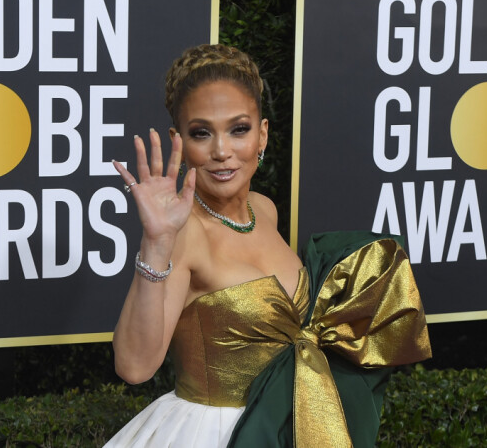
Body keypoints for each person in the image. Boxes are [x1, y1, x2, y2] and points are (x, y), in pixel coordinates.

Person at [105, 44, 431, 448]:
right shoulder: (183, 235)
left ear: (262, 134)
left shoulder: (265, 210)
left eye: (238, 129)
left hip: (292, 428)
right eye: (201, 133)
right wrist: (155, 242)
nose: (222, 151)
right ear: (179, 141)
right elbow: (134, 367)